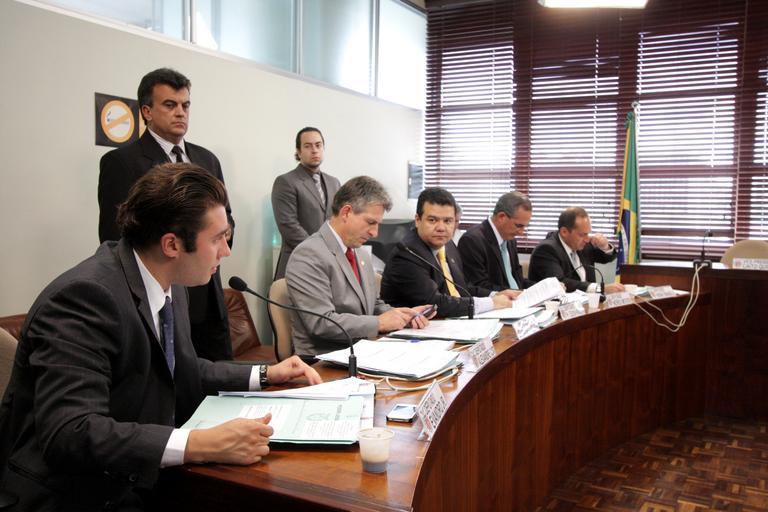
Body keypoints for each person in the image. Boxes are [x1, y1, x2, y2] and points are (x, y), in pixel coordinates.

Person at [0, 164, 321, 511]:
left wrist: (266, 374)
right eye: (217, 238)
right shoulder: (85, 297)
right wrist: (198, 443)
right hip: (76, 495)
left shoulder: (169, 283)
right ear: (171, 244)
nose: (226, 251)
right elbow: (70, 432)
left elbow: (181, 368)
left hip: (138, 478)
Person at [98, 67, 234, 362]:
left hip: (207, 296)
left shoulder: (207, 159)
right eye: (170, 105)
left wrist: (222, 233)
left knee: (219, 378)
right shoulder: (122, 162)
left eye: (185, 105)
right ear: (146, 111)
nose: (180, 112)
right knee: (169, 382)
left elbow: (227, 218)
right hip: (157, 299)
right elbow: (116, 236)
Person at [285, 176, 431, 358]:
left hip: (364, 350)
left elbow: (372, 305)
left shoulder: (360, 253)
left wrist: (402, 316)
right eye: (371, 222)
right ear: (346, 212)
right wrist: (379, 323)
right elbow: (322, 323)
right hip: (322, 360)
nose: (375, 233)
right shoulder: (308, 254)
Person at [381, 188, 516, 318]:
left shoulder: (448, 245)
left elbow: (462, 288)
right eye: (432, 220)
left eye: (447, 221)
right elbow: (435, 303)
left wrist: (495, 295)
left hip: (451, 323)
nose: (441, 228)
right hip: (415, 329)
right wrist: (491, 303)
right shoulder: (407, 253)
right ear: (418, 220)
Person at [271, 127, 341, 280]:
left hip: (329, 266)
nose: (314, 150)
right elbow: (289, 226)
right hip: (298, 262)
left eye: (318, 145)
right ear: (299, 151)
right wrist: (320, 251)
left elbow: (339, 220)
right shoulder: (285, 182)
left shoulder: (334, 183)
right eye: (308, 146)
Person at [528, 206, 625, 293]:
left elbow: (606, 258)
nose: (587, 239)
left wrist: (605, 246)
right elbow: (560, 283)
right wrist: (599, 288)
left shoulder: (582, 244)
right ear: (564, 232)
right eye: (582, 234)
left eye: (588, 233)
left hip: (587, 303)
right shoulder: (546, 250)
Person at [458, 191, 535, 292]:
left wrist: (542, 287)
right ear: (501, 217)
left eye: (525, 226)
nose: (521, 232)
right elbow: (478, 286)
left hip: (516, 299)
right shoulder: (472, 241)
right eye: (519, 225)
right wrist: (517, 293)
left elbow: (516, 280)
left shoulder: (510, 240)